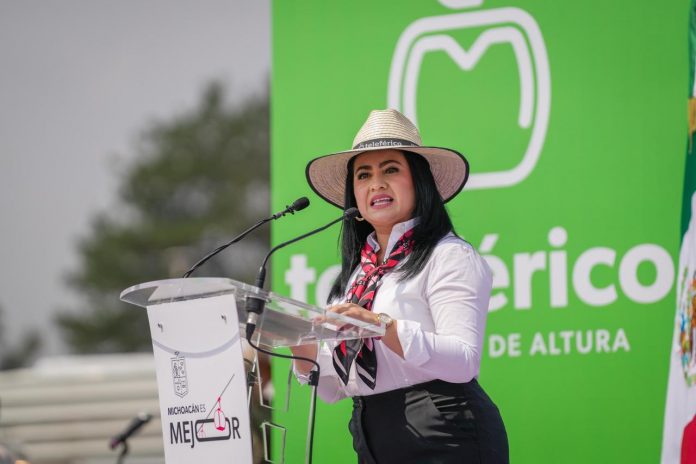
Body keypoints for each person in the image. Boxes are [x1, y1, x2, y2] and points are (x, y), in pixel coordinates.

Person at [292, 109, 508, 463]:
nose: (376, 184)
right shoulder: (355, 279)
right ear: (354, 197)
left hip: (446, 433)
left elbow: (464, 361)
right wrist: (295, 342)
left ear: (420, 183)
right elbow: (335, 388)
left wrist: (382, 326)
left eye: (390, 170)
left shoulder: (449, 255)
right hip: (371, 436)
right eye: (364, 175)